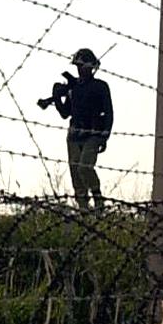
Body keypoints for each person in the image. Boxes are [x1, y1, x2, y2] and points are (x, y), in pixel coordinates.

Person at [40, 46, 112, 208]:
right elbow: (65, 113)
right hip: (74, 135)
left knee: (84, 168)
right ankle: (83, 211)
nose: (80, 70)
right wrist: (57, 98)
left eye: (83, 66)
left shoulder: (100, 87)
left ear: (91, 67)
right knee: (76, 177)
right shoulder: (74, 88)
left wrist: (104, 136)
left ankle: (98, 199)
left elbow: (108, 113)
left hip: (93, 134)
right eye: (78, 67)